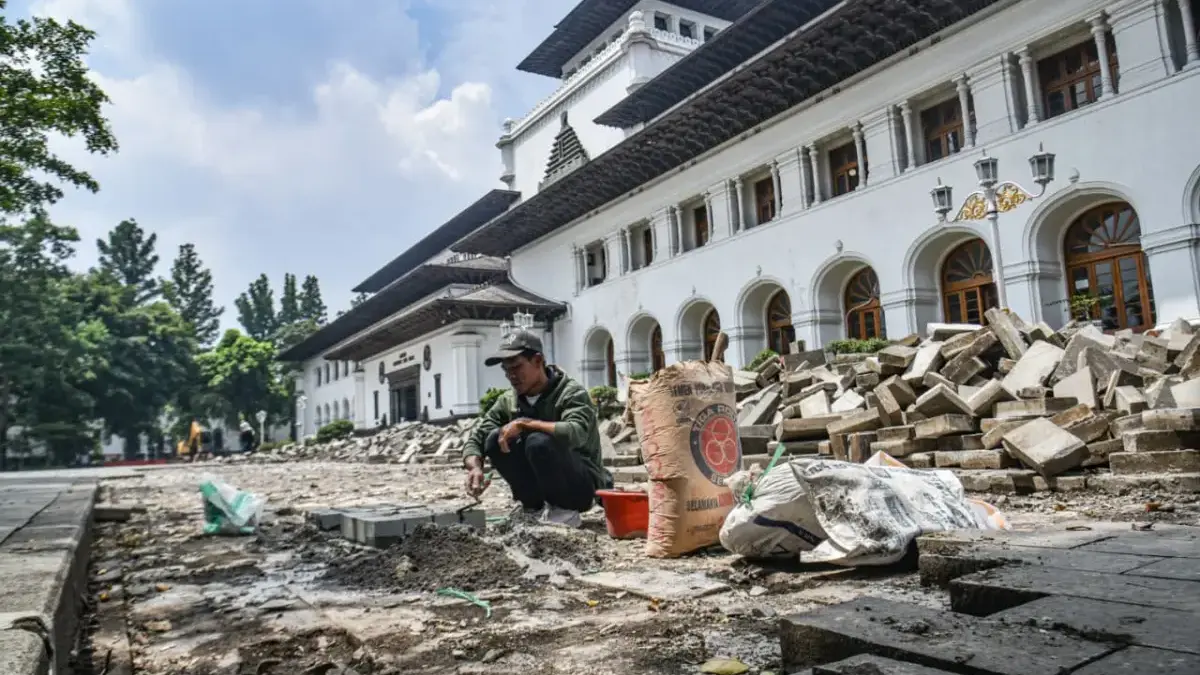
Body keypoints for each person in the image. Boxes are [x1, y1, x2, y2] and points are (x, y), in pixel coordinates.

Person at [462, 330, 613, 528]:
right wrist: (475, 467)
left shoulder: (570, 393)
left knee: (538, 441)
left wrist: (526, 424)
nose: (511, 376)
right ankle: (533, 508)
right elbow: (478, 437)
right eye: (506, 370)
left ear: (537, 360)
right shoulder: (509, 400)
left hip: (579, 485)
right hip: (539, 487)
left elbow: (577, 433)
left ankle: (564, 511)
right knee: (493, 439)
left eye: (516, 367)